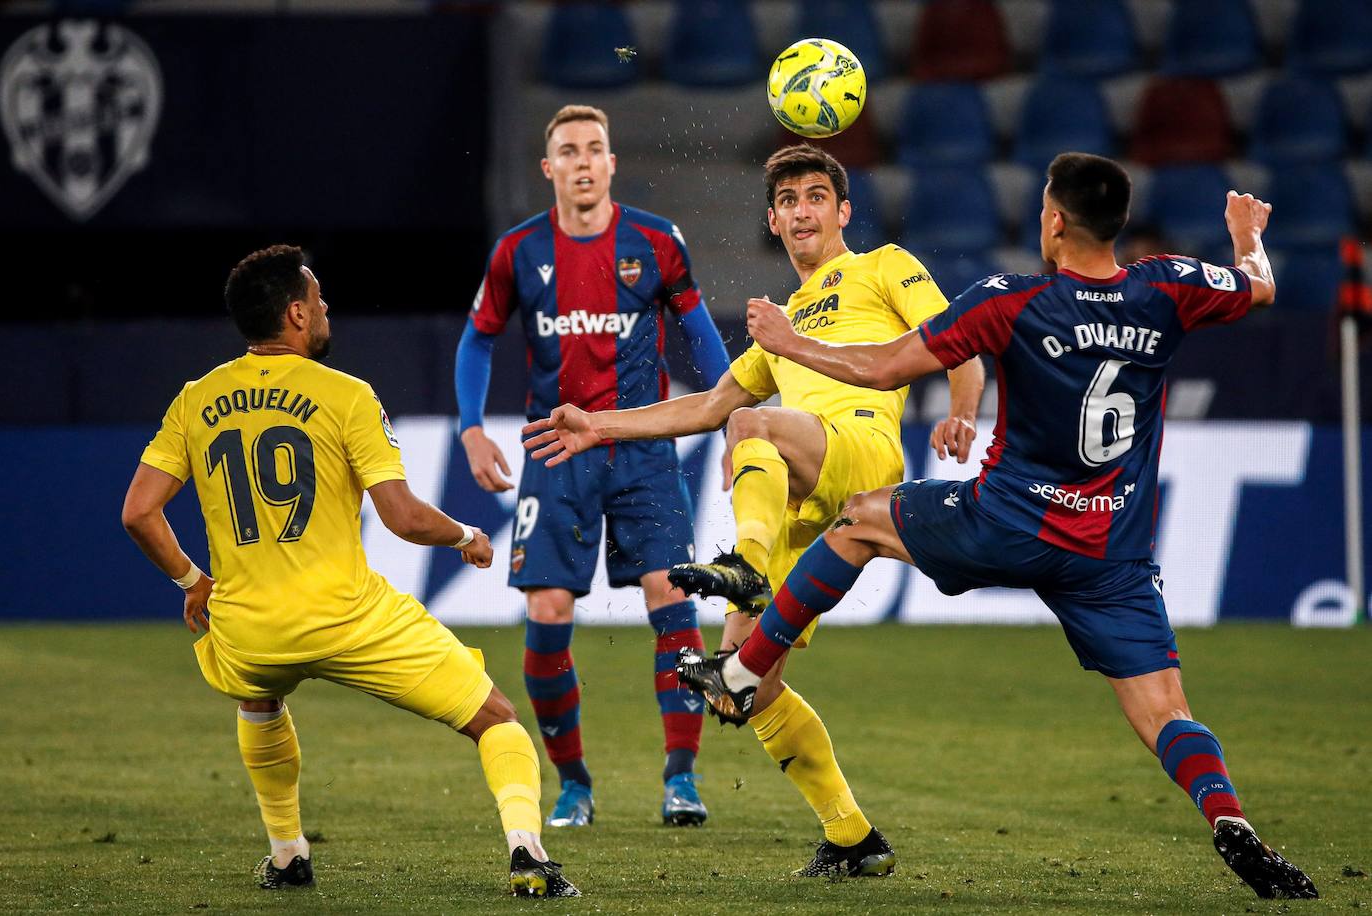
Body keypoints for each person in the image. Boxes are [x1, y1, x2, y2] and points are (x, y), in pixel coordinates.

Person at [678, 152, 1318, 900]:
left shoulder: (1009, 300)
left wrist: (792, 345)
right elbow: (1262, 284)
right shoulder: (1170, 285)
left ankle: (746, 665)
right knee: (1167, 711)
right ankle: (1228, 817)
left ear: (1052, 222)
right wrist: (1245, 234)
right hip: (1110, 554)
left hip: (1006, 522)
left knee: (857, 522)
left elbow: (887, 367)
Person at [522, 143, 986, 877]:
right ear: (773, 221)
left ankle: (742, 562)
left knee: (753, 426)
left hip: (862, 454)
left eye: (816, 197)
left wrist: (963, 412)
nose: (803, 210)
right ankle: (852, 838)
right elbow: (708, 405)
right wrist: (598, 424)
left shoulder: (883, 266)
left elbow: (961, 343)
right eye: (790, 201)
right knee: (743, 685)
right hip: (809, 503)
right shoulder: (786, 321)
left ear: (843, 210)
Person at [121, 245, 579, 898]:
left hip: (249, 628)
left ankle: (286, 854)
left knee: (259, 697)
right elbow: (402, 517)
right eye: (320, 296)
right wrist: (467, 536)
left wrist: (194, 582)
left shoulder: (198, 399)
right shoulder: (346, 395)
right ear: (298, 314)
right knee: (496, 717)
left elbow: (139, 513)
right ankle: (527, 852)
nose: (328, 306)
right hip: (347, 618)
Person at [456, 105, 732, 828]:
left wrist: (737, 422)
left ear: (611, 164)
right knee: (547, 615)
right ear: (548, 169)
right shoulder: (517, 251)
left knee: (673, 605)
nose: (583, 161)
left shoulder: (656, 242)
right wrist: (472, 429)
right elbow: (477, 339)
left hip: (644, 449)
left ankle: (681, 778)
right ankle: (574, 783)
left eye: (595, 149)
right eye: (568, 152)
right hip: (555, 451)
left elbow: (702, 338)